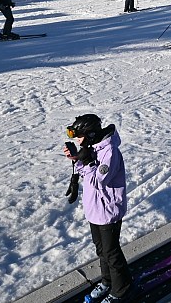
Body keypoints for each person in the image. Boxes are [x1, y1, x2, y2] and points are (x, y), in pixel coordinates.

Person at [64, 114, 134, 302]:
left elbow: (99, 182)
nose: (77, 141)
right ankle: (107, 281)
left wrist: (87, 163)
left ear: (91, 134)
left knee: (112, 254)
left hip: (108, 212)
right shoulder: (93, 147)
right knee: (102, 251)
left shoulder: (109, 152)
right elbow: (87, 175)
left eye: (78, 136)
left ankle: (122, 289)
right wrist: (77, 160)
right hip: (95, 210)